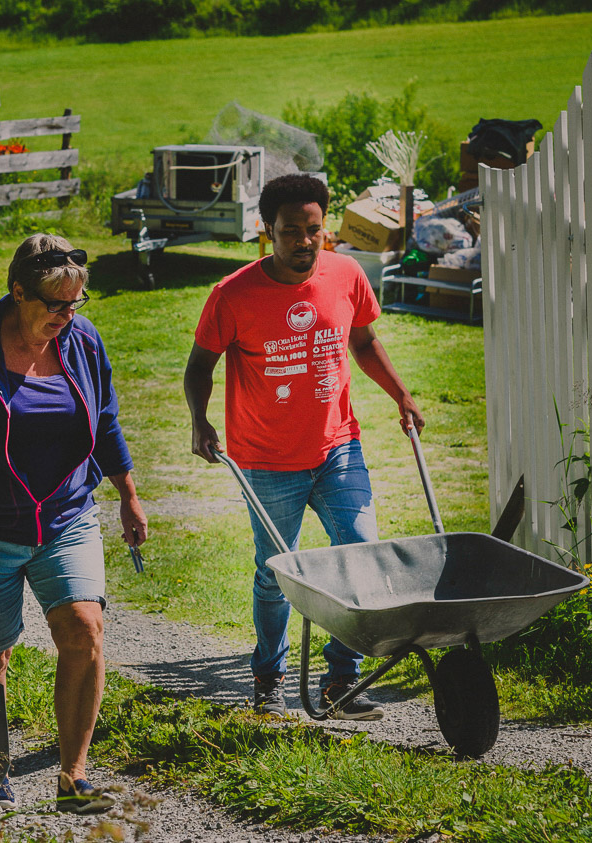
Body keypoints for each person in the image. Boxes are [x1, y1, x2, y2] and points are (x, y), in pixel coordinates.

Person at [0, 233, 148, 812]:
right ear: (18, 292)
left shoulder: (83, 341)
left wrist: (128, 495)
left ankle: (73, 778)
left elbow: (107, 419)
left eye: (76, 304)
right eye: (55, 305)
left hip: (66, 516)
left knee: (84, 628)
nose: (67, 317)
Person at [183, 174, 423, 720]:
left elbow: (362, 340)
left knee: (360, 556)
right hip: (266, 461)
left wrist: (402, 395)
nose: (306, 241)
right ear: (268, 232)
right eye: (292, 231)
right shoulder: (233, 295)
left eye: (315, 230)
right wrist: (200, 421)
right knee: (276, 574)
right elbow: (200, 367)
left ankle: (343, 682)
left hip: (338, 448)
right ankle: (269, 679)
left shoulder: (346, 274)